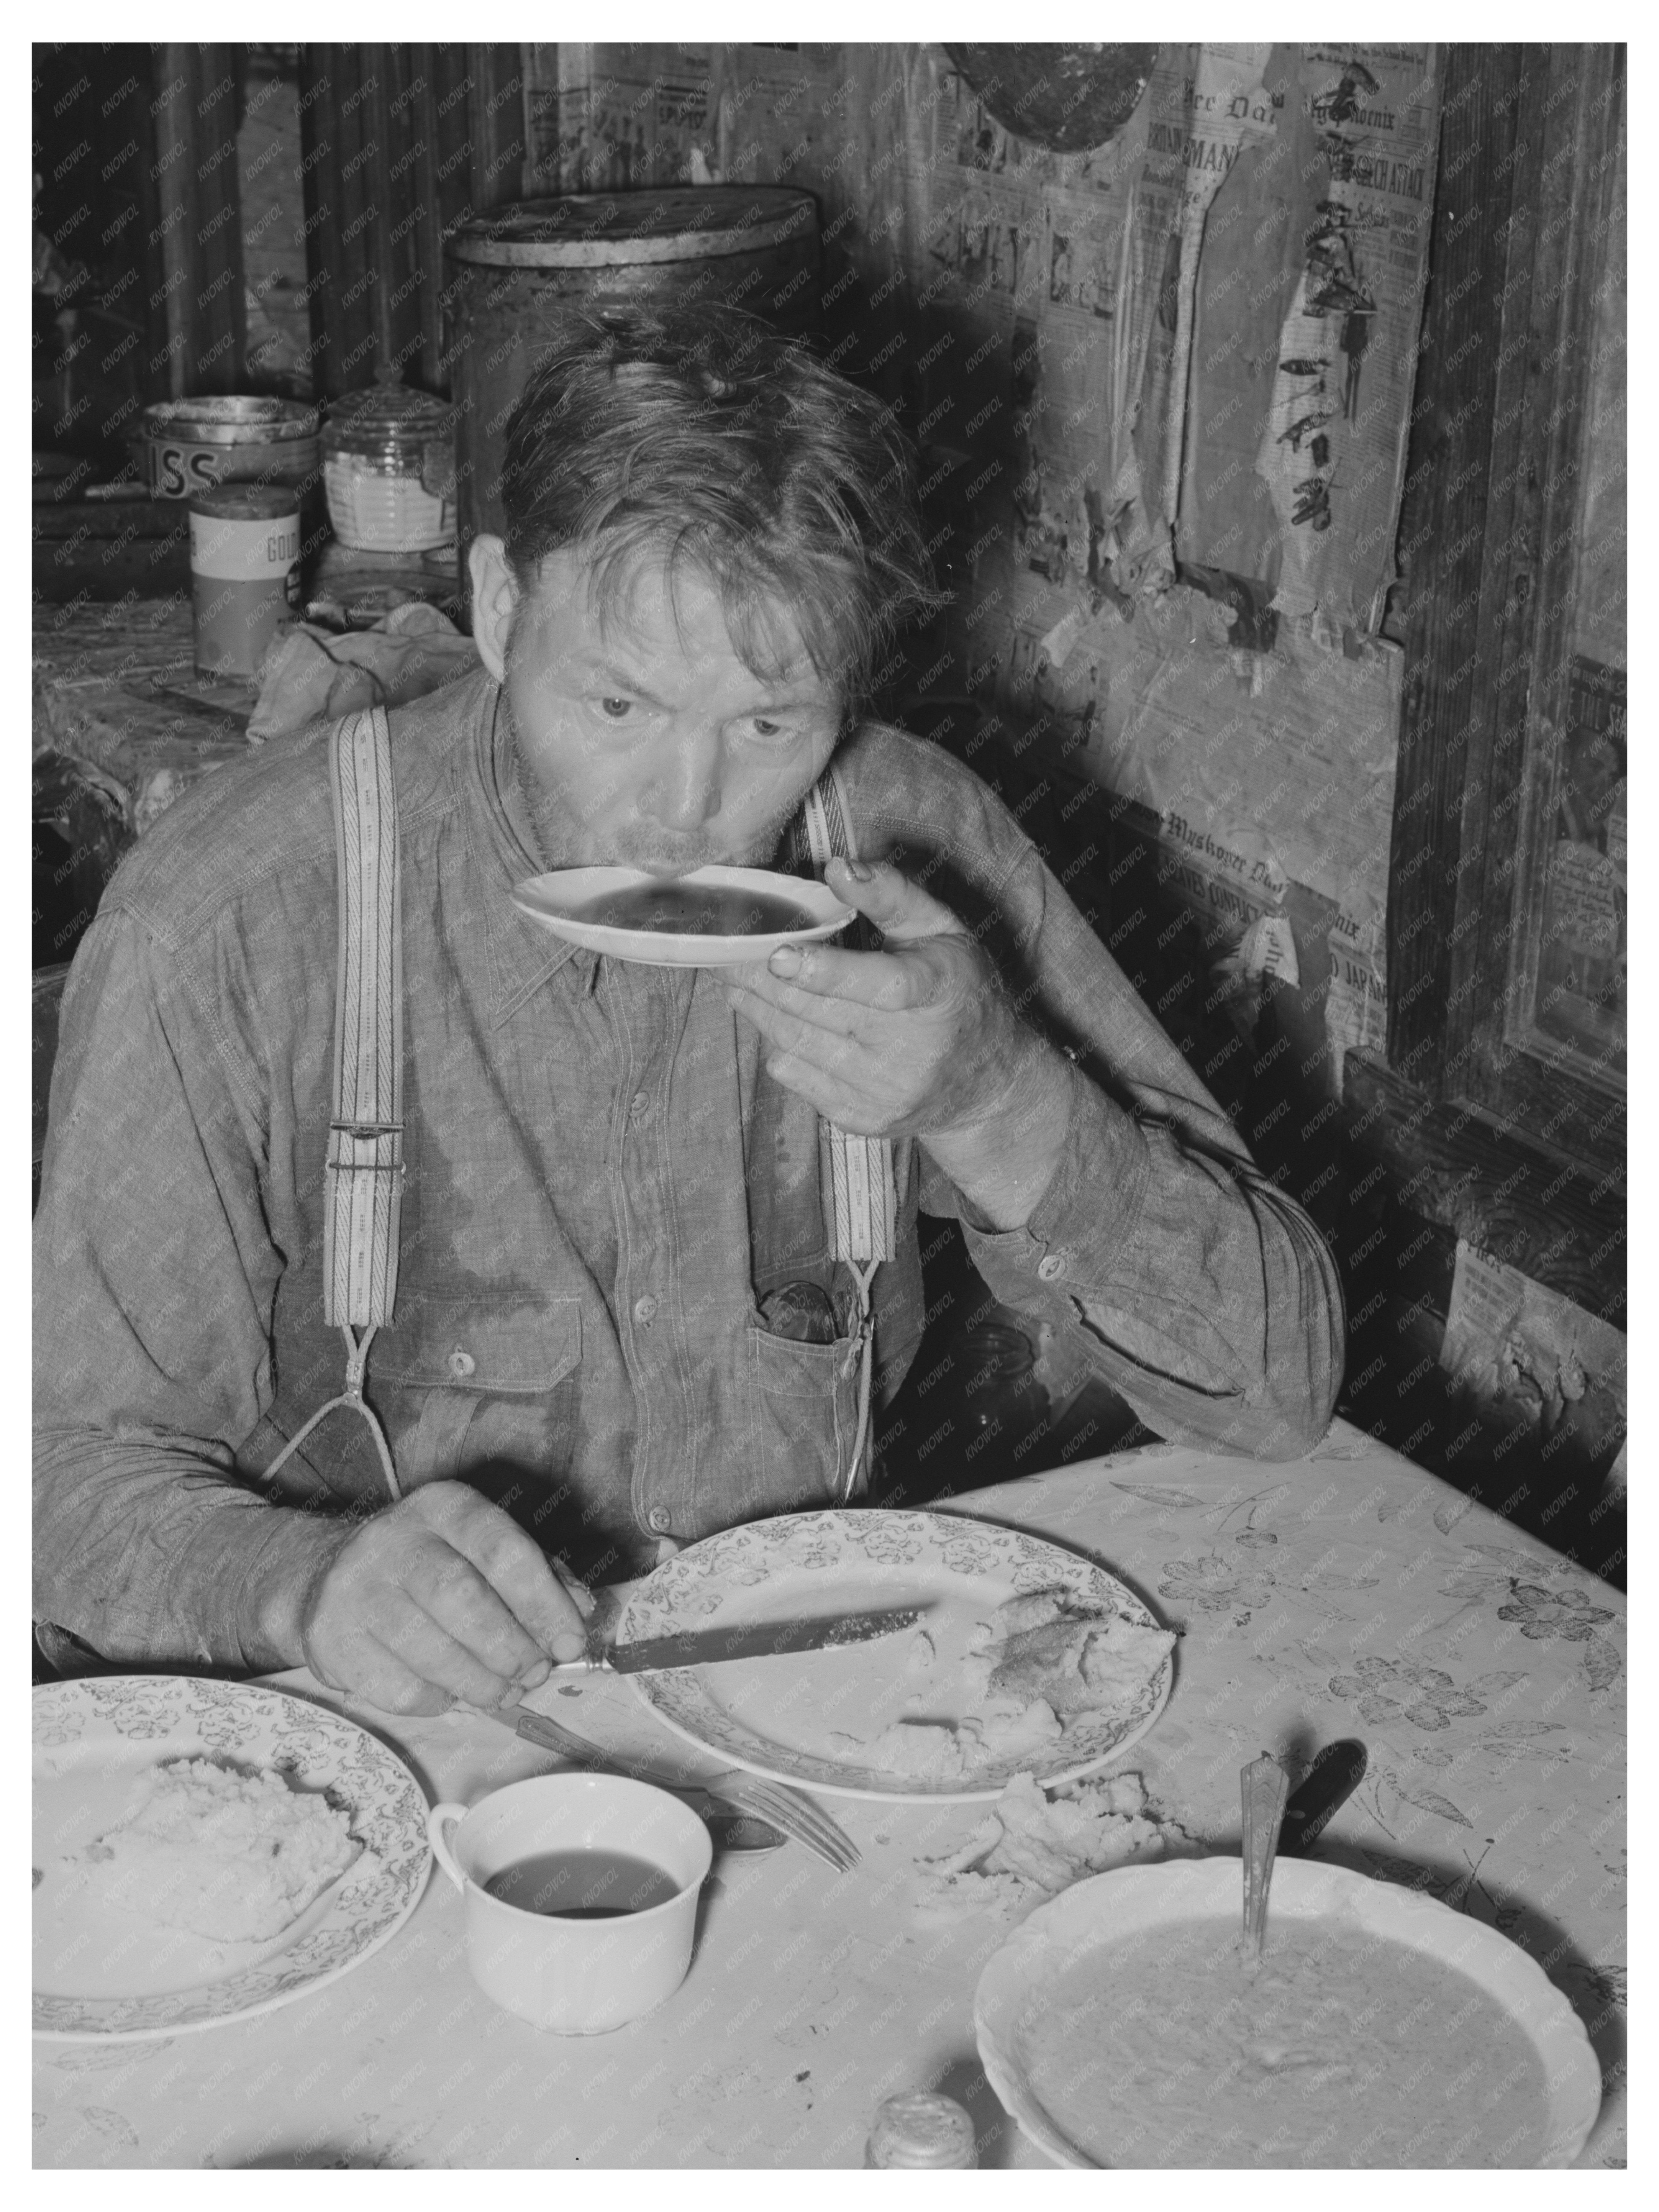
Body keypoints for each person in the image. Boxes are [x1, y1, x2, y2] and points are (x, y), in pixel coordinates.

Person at [33, 304, 1343, 1718]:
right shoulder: (244, 908)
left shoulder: (912, 841)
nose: (680, 816)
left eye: (769, 728)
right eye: (615, 707)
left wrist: (995, 1096)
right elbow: (56, 1476)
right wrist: (299, 1583)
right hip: (372, 1737)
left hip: (791, 1705)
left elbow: (1272, 1393)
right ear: (497, 607)